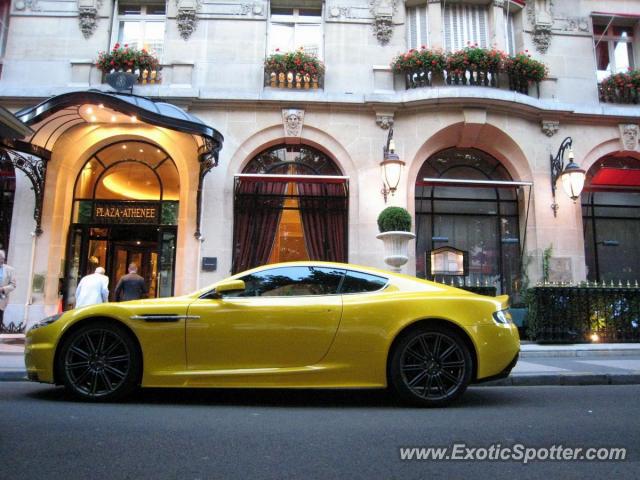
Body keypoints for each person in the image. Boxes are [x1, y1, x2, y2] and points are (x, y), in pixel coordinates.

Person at [0, 249, 17, 326]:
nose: (1, 260)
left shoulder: (10, 270)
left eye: (1, 258)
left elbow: (13, 285)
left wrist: (3, 289)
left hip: (1, 299)